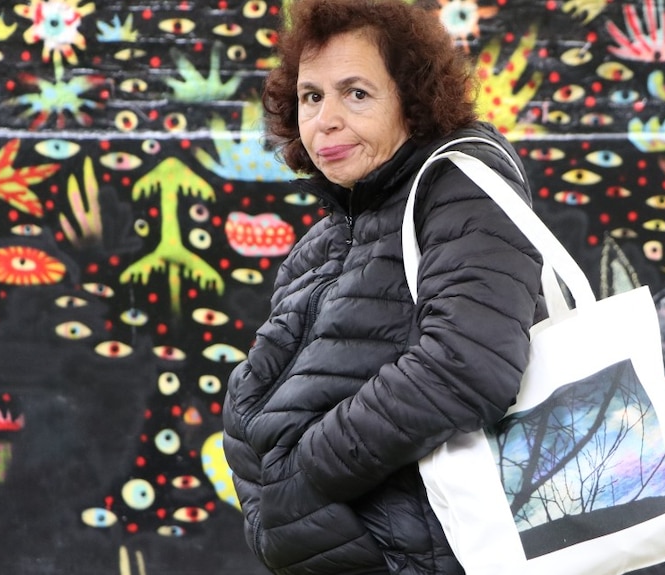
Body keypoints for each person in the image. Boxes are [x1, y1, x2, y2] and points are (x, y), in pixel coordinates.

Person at [222, 0, 545, 573]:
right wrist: (270, 504)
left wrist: (303, 476)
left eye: (357, 93)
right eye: (312, 96)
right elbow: (263, 398)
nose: (326, 120)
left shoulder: (458, 191)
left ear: (413, 102)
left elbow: (467, 365)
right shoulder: (323, 243)